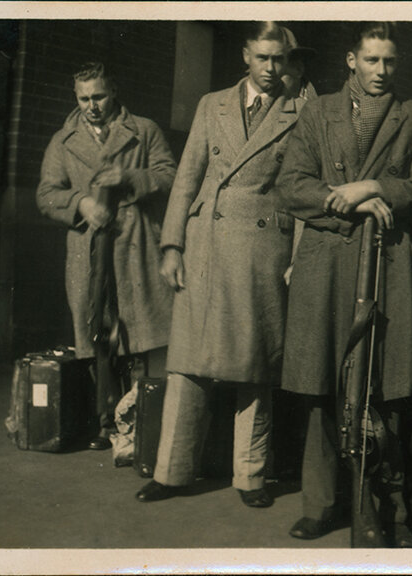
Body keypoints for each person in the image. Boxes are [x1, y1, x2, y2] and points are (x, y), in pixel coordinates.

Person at [276, 22, 412, 546]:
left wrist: (374, 186)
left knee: (385, 390)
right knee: (323, 386)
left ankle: (388, 510)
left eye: (389, 62)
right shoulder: (318, 111)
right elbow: (290, 185)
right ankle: (322, 502)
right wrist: (347, 201)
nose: (380, 72)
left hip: (391, 266)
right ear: (351, 60)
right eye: (371, 61)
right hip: (326, 268)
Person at [134, 22, 310, 508]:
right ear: (246, 56)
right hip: (205, 245)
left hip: (261, 252)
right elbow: (187, 177)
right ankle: (172, 471)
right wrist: (172, 245)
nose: (271, 69)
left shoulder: (302, 111)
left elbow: (298, 193)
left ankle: (250, 477)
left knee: (253, 369)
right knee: (187, 364)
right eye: (263, 58)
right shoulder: (211, 104)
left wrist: (294, 259)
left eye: (279, 59)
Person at [36, 62, 175, 451]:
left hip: (136, 242)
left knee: (141, 332)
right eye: (83, 99)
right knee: (99, 331)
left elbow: (171, 176)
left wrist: (131, 178)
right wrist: (79, 203)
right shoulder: (63, 142)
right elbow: (46, 194)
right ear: (74, 96)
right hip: (89, 247)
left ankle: (143, 419)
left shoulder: (144, 131)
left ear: (112, 91)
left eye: (98, 96)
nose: (92, 106)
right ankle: (105, 421)